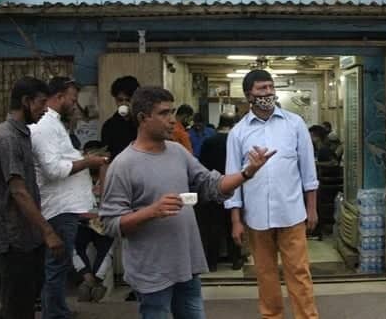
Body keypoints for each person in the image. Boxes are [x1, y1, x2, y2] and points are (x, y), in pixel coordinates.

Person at [99, 86, 275, 319]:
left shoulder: (177, 152)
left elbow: (211, 184)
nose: (173, 120)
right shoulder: (123, 165)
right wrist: (152, 211)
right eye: (164, 113)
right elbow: (110, 223)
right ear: (142, 118)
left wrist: (247, 173)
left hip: (186, 264)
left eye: (172, 112)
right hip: (152, 271)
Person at [225, 70, 320, 319]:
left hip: (292, 213)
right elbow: (232, 179)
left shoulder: (294, 124)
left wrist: (312, 208)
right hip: (256, 217)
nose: (268, 93)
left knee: (299, 272)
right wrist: (236, 220)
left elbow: (308, 171)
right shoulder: (238, 133)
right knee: (265, 274)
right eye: (261, 89)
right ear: (249, 95)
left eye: (270, 87)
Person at [0, 76, 64, 319]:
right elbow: (18, 191)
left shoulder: (22, 134)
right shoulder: (7, 138)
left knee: (21, 304)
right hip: (13, 239)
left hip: (26, 236)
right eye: (41, 103)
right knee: (18, 308)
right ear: (26, 101)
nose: (45, 109)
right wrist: (48, 232)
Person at [30, 76, 109, 319]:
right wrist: (88, 162)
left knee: (61, 264)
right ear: (59, 96)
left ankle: (58, 310)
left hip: (66, 205)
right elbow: (53, 170)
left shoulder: (55, 125)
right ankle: (54, 314)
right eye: (72, 100)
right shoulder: (45, 127)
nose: (75, 105)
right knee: (56, 265)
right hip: (58, 207)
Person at [197, 112, 243, 271]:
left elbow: (202, 167)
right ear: (234, 124)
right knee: (233, 223)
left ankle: (212, 262)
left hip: (213, 188)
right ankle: (235, 259)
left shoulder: (209, 141)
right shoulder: (237, 142)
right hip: (234, 187)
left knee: (213, 227)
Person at [73, 140, 113, 303]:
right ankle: (89, 279)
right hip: (81, 219)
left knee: (107, 247)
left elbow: (107, 198)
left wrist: (104, 167)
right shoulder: (78, 175)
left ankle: (95, 281)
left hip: (102, 219)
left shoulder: (109, 173)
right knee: (72, 244)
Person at [101, 75, 140, 160]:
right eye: (120, 100)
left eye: (128, 100)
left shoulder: (143, 123)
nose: (124, 104)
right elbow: (107, 154)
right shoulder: (109, 126)